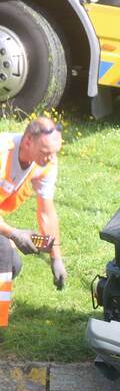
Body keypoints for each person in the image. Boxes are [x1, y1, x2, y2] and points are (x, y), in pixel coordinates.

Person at [0, 117, 68, 330]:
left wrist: (56, 257)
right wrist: (13, 234)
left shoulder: (45, 163)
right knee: (3, 249)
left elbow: (46, 212)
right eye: (46, 152)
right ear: (28, 141)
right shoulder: (2, 152)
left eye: (55, 152)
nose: (50, 158)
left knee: (13, 266)